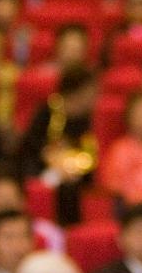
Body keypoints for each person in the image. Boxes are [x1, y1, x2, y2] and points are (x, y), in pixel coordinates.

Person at [19, 66, 98, 226]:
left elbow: (90, 153)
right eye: (91, 91)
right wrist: (49, 156)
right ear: (78, 91)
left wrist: (73, 166)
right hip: (42, 168)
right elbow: (29, 146)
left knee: (70, 187)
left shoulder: (88, 120)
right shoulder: (48, 111)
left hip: (74, 174)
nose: (95, 96)